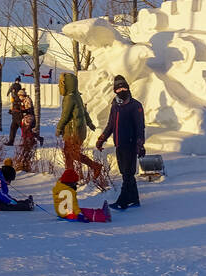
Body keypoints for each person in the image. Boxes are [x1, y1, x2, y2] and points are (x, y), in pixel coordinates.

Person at [96, 74, 145, 211]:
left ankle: (122, 201)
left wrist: (140, 145)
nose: (121, 90)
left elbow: (140, 127)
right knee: (125, 172)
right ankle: (134, 199)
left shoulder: (135, 106)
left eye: (124, 88)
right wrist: (101, 139)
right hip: (119, 144)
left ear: (128, 88)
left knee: (128, 173)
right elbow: (111, 124)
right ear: (114, 90)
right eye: (118, 89)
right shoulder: (115, 106)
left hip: (130, 144)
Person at [57, 72, 101, 182]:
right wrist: (89, 123)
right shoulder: (76, 96)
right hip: (78, 130)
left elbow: (65, 116)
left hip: (73, 131)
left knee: (72, 154)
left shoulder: (69, 98)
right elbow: (84, 113)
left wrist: (59, 128)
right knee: (69, 154)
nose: (59, 86)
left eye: (61, 84)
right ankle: (69, 176)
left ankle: (95, 166)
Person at [4, 81, 27, 146]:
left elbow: (24, 108)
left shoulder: (21, 98)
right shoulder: (15, 98)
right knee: (13, 129)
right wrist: (12, 111)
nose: (13, 92)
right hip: (15, 117)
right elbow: (14, 106)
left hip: (20, 117)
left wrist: (19, 111)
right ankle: (11, 141)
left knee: (24, 130)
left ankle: (27, 142)